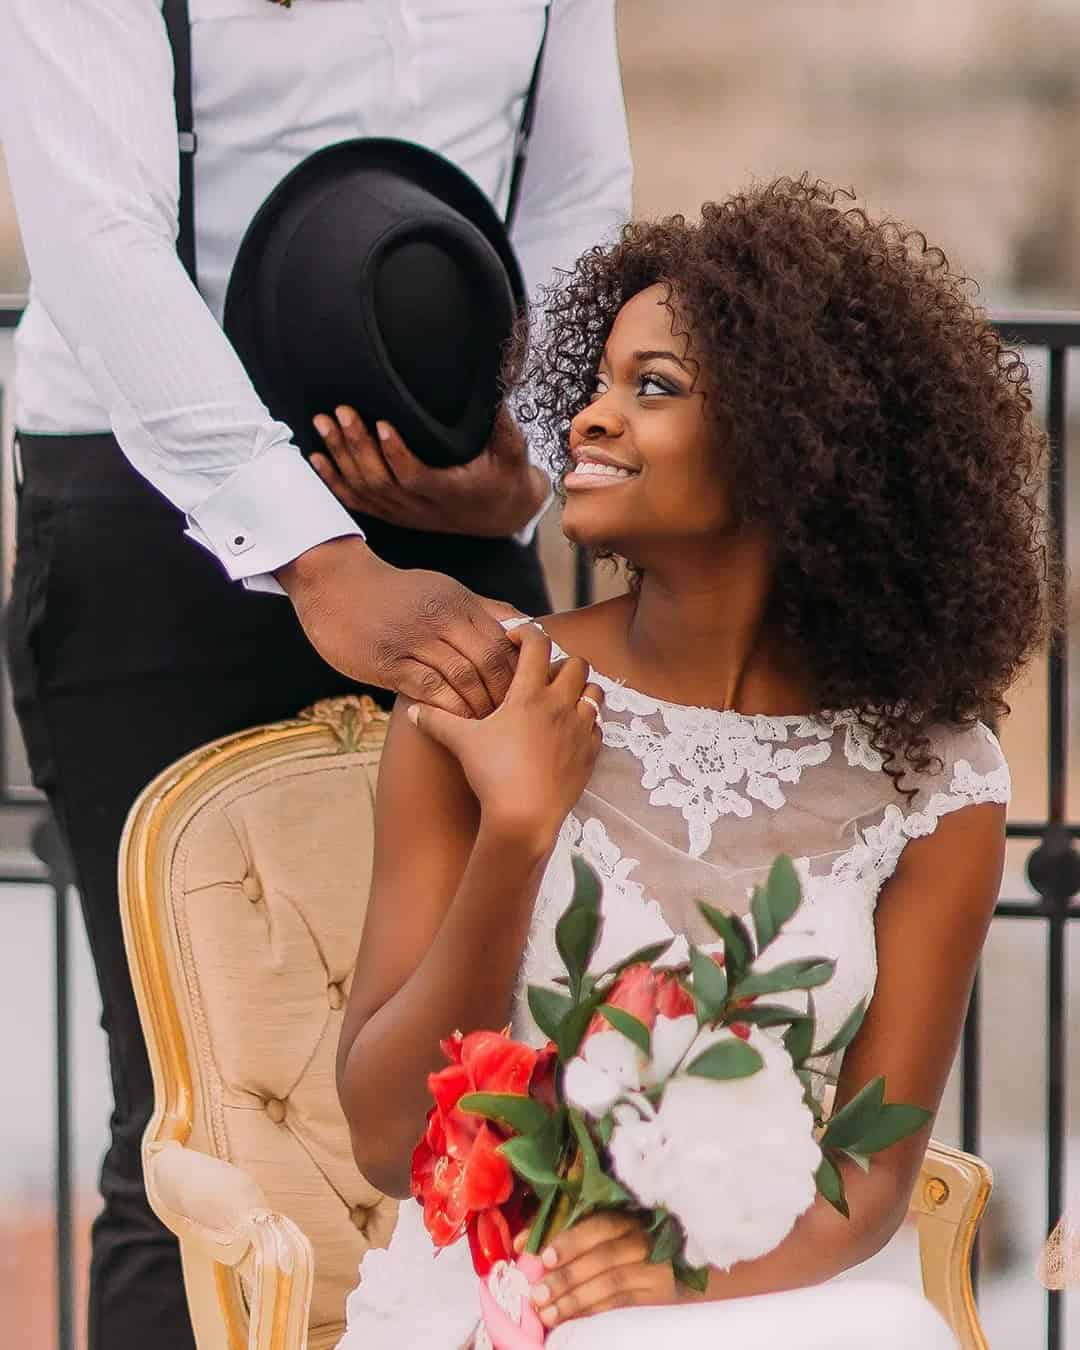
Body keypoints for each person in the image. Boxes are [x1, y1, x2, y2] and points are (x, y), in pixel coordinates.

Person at [0, 3, 631, 1348]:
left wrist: (517, 459)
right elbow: (94, 228)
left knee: (500, 1085)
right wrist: (318, 559)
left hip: (456, 490)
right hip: (159, 507)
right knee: (202, 1117)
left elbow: (578, 185)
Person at [334, 176, 1051, 1347]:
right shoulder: (480, 693)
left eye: (652, 388)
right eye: (601, 382)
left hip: (768, 1294)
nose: (588, 420)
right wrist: (518, 829)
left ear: (795, 444)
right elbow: (381, 1138)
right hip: (514, 1283)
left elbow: (867, 1186)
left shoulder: (937, 778)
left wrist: (680, 1287)